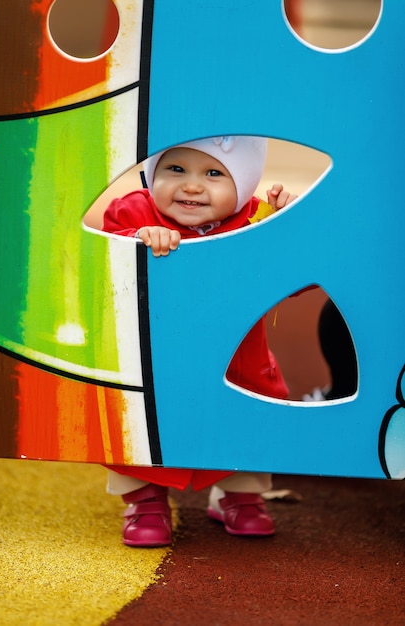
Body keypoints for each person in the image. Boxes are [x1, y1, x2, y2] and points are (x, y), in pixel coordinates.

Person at [102, 135, 297, 547]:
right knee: (139, 420)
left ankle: (240, 495)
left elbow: (297, 277)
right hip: (154, 355)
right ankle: (145, 500)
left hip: (236, 359)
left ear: (243, 183)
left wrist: (288, 228)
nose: (191, 186)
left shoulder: (255, 218)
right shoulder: (135, 209)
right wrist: (138, 237)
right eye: (175, 170)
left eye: (213, 173)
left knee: (246, 418)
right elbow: (103, 254)